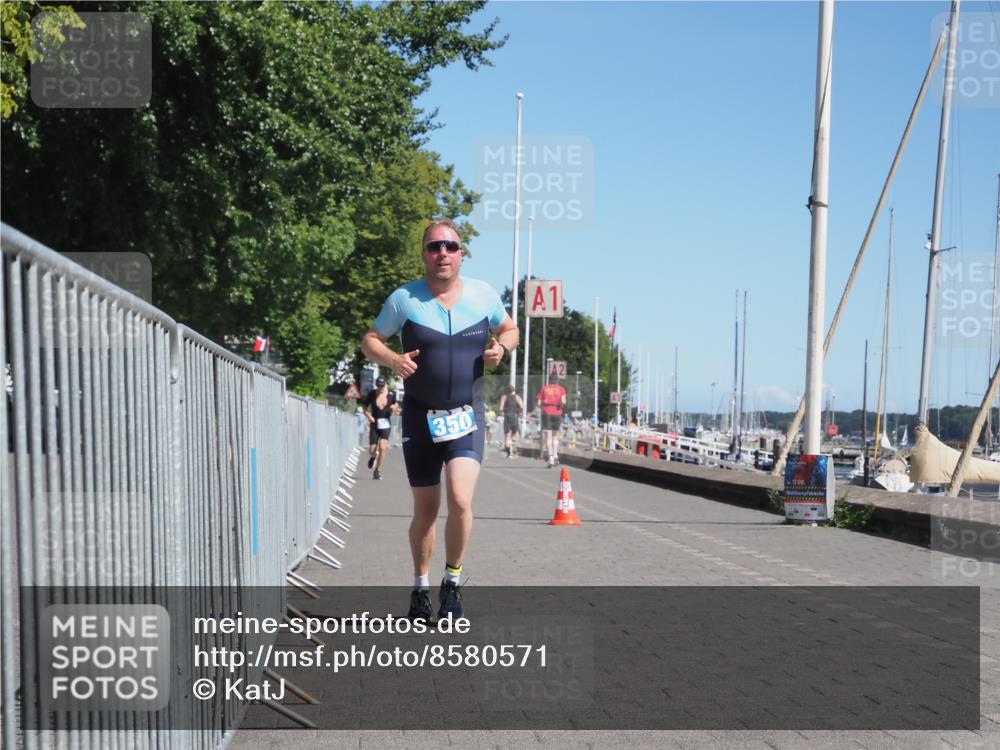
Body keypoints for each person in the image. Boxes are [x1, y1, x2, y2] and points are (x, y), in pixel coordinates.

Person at [360, 220, 518, 622]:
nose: (442, 253)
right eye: (434, 247)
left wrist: (501, 346)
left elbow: (511, 328)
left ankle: (452, 582)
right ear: (424, 254)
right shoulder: (404, 299)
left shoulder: (483, 295)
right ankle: (419, 587)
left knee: (462, 499)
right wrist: (392, 359)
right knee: (426, 510)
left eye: (450, 246)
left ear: (461, 253)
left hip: (467, 413)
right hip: (419, 417)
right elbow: (371, 339)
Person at [364, 377, 396, 480]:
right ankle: (373, 457)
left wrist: (394, 408)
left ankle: (377, 470)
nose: (380, 388)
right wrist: (369, 416)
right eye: (378, 386)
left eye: (382, 386)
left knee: (383, 448)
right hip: (374, 423)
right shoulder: (372, 394)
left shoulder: (391, 394)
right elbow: (364, 408)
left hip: (386, 424)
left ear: (385, 384)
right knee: (372, 450)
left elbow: (395, 404)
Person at [536, 374, 567, 467]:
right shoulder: (561, 389)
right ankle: (556, 455)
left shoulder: (544, 389)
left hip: (547, 413)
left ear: (549, 381)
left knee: (548, 437)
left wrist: (544, 405)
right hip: (557, 413)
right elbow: (564, 401)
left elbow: (538, 403)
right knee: (555, 436)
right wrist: (559, 405)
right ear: (557, 381)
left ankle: (551, 459)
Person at [499, 383, 523, 458]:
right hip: (514, 416)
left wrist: (502, 413)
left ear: (507, 391)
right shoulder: (517, 397)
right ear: (514, 390)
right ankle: (513, 450)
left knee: (507, 435)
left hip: (507, 416)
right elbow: (522, 407)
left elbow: (501, 408)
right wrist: (518, 412)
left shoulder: (504, 397)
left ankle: (509, 452)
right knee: (514, 434)